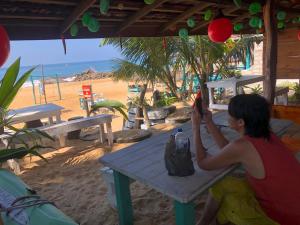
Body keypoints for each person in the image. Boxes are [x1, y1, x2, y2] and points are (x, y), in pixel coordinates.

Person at [191, 94, 300, 225]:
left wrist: (195, 128)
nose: (228, 116)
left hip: (282, 218)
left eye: (230, 114)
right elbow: (228, 149)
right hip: (293, 207)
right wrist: (209, 122)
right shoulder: (267, 135)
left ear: (241, 122)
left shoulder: (243, 147)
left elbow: (203, 164)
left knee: (225, 203)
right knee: (223, 183)